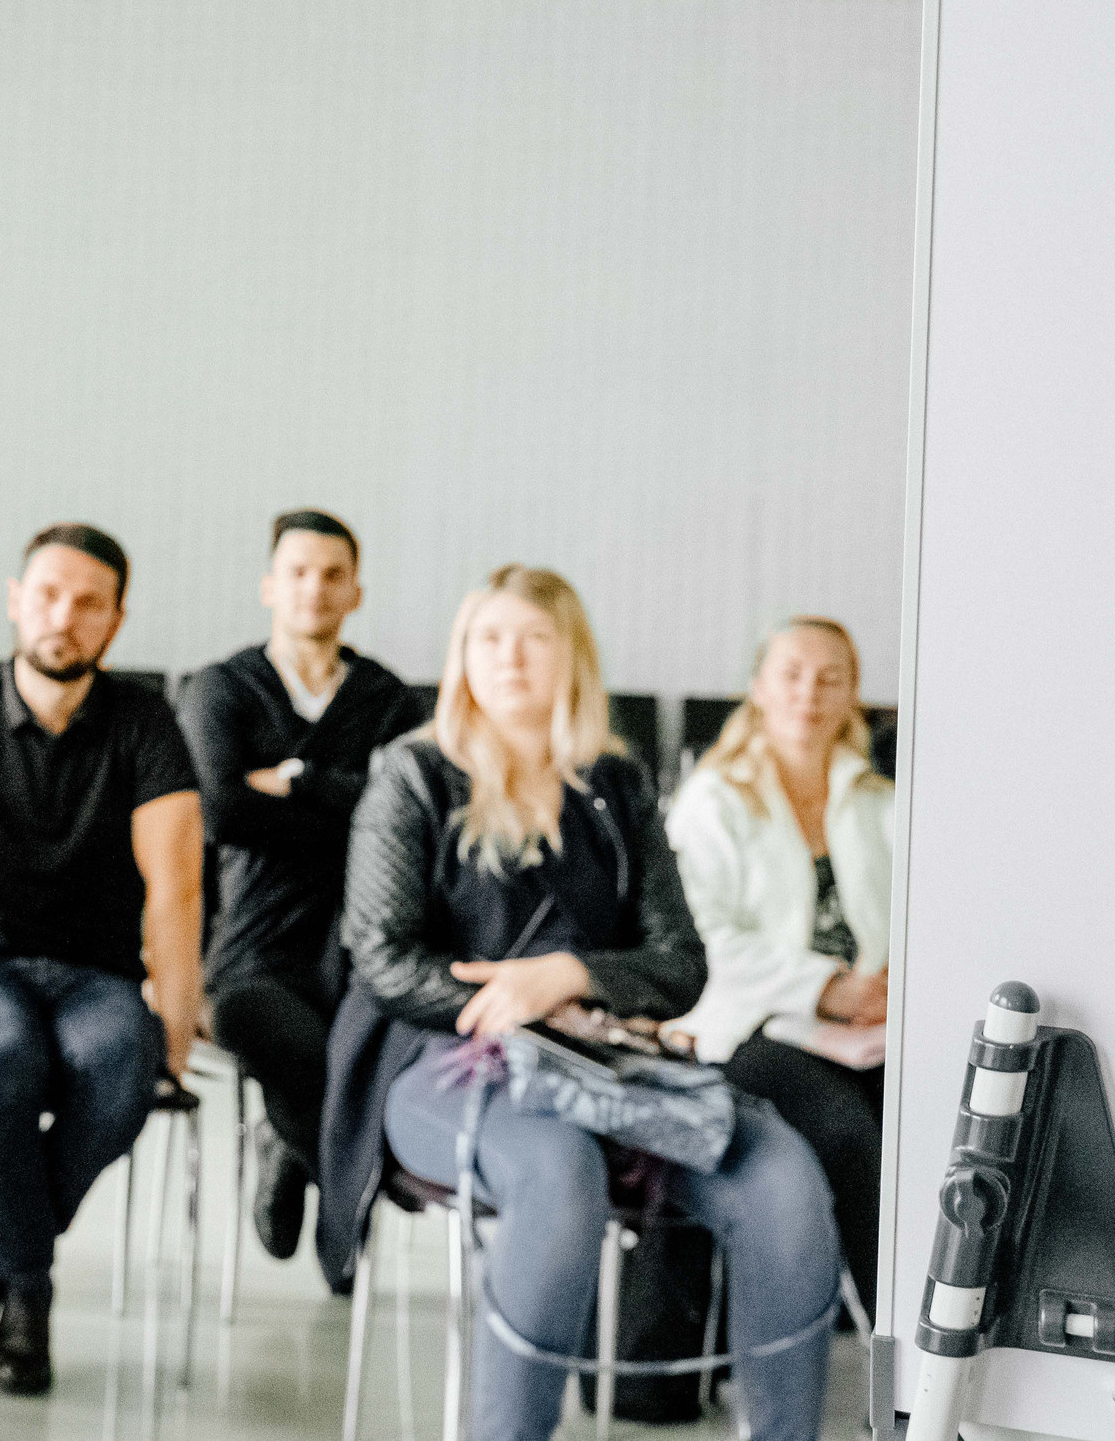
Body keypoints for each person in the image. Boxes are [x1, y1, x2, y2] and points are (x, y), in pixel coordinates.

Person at [321, 567, 839, 1441]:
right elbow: (382, 960)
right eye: (490, 638)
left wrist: (566, 976)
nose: (510, 658)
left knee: (782, 1176)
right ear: (463, 655)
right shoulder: (410, 774)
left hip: (610, 1062)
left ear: (573, 655)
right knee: (560, 1172)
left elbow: (680, 964)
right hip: (437, 1060)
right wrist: (510, 1004)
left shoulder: (617, 784)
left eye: (533, 638)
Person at [0, 524, 203, 1395]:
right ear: (15, 599)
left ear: (115, 620)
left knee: (121, 1064)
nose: (62, 616)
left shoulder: (146, 722)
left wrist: (177, 1032)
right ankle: (29, 1300)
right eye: (46, 593)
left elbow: (177, 886)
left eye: (87, 602)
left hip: (98, 973)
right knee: (2, 1062)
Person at [179, 509, 420, 1264]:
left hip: (360, 944)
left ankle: (294, 1147)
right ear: (268, 586)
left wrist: (297, 779)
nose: (314, 589)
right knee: (298, 1047)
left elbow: (410, 819)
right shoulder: (220, 689)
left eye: (332, 575)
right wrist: (354, 801)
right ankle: (343, 1211)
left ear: (356, 591)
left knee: (366, 1048)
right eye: (298, 572)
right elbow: (220, 810)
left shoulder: (388, 700)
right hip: (247, 948)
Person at [665, 616, 894, 1314]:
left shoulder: (882, 802)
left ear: (854, 691)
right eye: (791, 674)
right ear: (757, 687)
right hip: (753, 1023)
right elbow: (701, 939)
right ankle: (902, 1352)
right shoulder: (714, 798)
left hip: (873, 1027)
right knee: (852, 1134)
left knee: (946, 1125)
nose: (809, 693)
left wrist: (891, 990)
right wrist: (827, 987)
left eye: (831, 677)